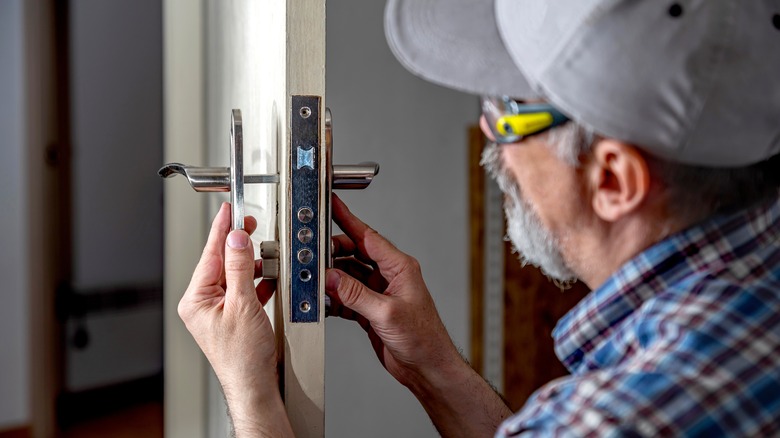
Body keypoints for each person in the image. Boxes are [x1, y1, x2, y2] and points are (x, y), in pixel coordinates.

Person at [177, 0, 780, 436]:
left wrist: (251, 394)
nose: (492, 142)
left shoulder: (616, 418)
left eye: (510, 110)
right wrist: (436, 369)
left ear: (613, 179)